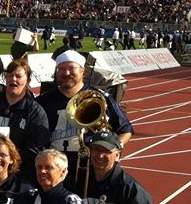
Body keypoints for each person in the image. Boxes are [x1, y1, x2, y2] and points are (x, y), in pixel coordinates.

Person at [36, 50, 133, 182]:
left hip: (90, 168)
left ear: (82, 71)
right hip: (54, 168)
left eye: (71, 68)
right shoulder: (43, 101)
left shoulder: (100, 97)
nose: (66, 73)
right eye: (62, 69)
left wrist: (111, 151)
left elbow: (125, 129)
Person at [0, 58, 50, 181]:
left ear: (28, 81)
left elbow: (36, 149)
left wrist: (7, 159)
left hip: (17, 177)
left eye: (18, 76)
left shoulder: (35, 112)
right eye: (10, 75)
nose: (13, 79)